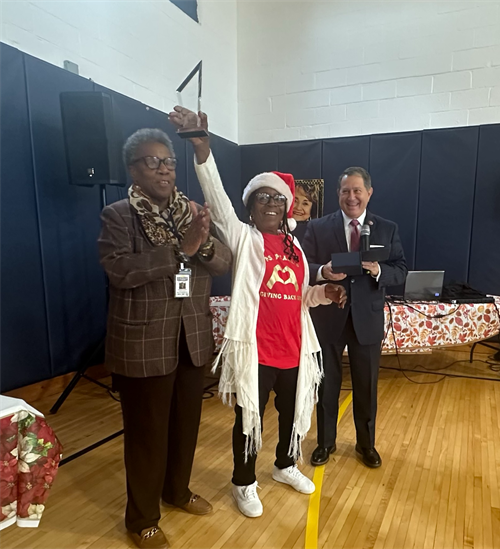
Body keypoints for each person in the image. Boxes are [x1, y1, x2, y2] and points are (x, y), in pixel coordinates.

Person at [168, 107, 347, 519]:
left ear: (286, 210)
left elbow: (302, 296)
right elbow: (216, 196)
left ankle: (285, 465)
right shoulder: (243, 237)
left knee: (293, 414)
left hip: (294, 347)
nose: (270, 203)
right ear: (250, 208)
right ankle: (243, 481)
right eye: (261, 198)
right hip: (256, 348)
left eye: (277, 200)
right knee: (249, 419)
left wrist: (325, 291)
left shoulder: (296, 248)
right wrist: (202, 148)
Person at [98, 128, 232, 549]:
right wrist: (180, 251)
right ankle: (141, 518)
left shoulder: (192, 211)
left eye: (169, 162)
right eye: (152, 162)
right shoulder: (118, 215)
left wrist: (202, 246)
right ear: (133, 169)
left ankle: (176, 490)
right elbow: (120, 272)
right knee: (147, 434)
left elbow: (223, 261)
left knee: (185, 426)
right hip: (142, 344)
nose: (164, 169)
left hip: (190, 339)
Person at [301, 167, 407, 469]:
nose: (352, 197)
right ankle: (325, 442)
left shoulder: (386, 229)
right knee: (326, 386)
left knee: (366, 387)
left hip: (367, 321)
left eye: (357, 190)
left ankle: (366, 445)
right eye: (346, 191)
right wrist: (322, 272)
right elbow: (303, 265)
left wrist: (378, 271)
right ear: (338, 194)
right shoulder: (318, 227)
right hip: (328, 318)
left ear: (369, 193)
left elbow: (400, 269)